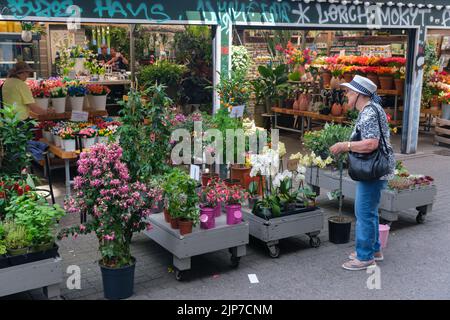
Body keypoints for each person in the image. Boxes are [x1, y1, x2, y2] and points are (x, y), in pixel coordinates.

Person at [329, 75, 395, 271]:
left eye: (349, 91)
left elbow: (371, 144)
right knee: (370, 211)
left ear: (358, 94)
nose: (346, 94)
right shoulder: (373, 109)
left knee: (364, 212)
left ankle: (365, 257)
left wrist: (345, 145)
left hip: (373, 171)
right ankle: (374, 250)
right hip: (378, 169)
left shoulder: (368, 113)